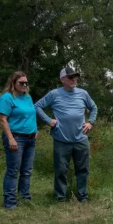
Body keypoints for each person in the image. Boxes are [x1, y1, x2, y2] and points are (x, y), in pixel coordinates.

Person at [34, 66, 98, 202]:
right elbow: (37, 106)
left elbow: (93, 107)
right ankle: (60, 197)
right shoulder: (54, 94)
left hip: (80, 139)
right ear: (62, 79)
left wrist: (90, 122)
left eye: (75, 77)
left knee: (83, 170)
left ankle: (82, 196)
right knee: (61, 170)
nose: (74, 79)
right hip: (61, 139)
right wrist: (48, 120)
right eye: (70, 77)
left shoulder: (83, 93)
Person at [0, 71, 37, 209]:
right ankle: (10, 202)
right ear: (13, 83)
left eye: (26, 83)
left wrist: (35, 130)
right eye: (21, 83)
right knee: (13, 170)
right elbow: (2, 120)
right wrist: (10, 139)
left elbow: (31, 115)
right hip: (16, 138)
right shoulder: (6, 98)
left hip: (30, 139)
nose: (24, 85)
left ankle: (24, 197)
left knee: (26, 171)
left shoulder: (28, 97)